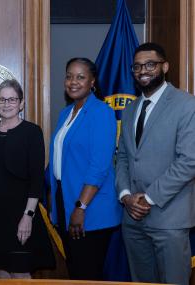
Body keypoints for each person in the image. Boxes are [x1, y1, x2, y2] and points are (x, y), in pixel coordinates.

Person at [116, 42, 195, 285]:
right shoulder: (130, 109)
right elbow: (123, 157)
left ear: (165, 66)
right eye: (137, 66)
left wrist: (148, 198)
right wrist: (126, 195)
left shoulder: (186, 104)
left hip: (169, 217)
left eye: (150, 64)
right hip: (132, 219)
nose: (143, 71)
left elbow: (189, 162)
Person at [0, 79, 55, 279]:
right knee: (2, 268)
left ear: (21, 103)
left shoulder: (32, 132)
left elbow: (36, 180)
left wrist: (28, 216)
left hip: (20, 214)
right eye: (2, 100)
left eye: (12, 99)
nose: (6, 104)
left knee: (21, 272)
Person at [49, 58, 122, 280]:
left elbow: (99, 166)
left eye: (80, 77)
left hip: (91, 205)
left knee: (87, 274)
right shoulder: (66, 113)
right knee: (75, 270)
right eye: (69, 76)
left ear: (92, 82)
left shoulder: (102, 112)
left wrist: (80, 207)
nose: (73, 81)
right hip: (65, 198)